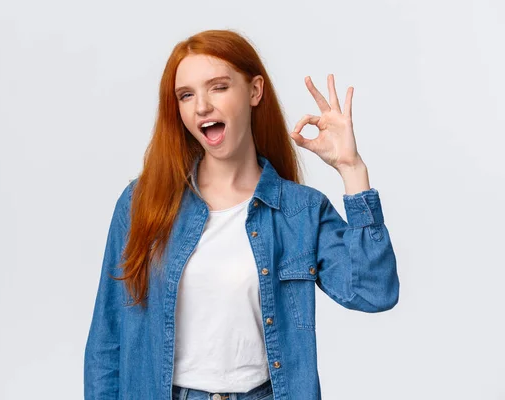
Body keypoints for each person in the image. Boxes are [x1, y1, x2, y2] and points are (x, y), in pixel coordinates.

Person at [84, 29, 399, 400]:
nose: (201, 106)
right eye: (186, 95)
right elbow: (107, 342)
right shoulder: (143, 202)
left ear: (254, 91)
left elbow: (374, 291)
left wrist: (352, 169)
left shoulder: (300, 212)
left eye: (218, 87)